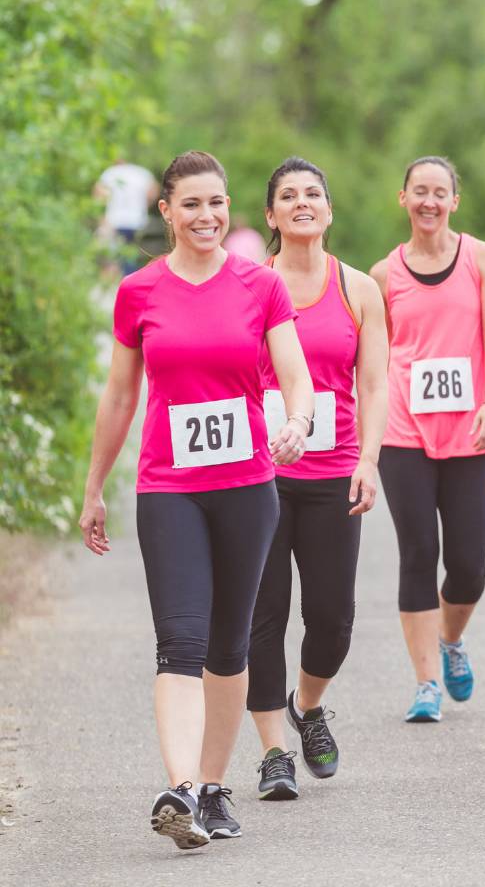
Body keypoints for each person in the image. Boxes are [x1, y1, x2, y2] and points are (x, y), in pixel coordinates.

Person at [78, 151, 314, 849]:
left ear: (228, 207)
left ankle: (212, 787)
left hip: (247, 488)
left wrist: (296, 423)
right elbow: (121, 395)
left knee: (227, 646)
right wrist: (95, 488)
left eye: (217, 203)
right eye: (191, 205)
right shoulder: (140, 292)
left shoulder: (260, 287)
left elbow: (294, 375)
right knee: (179, 640)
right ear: (166, 212)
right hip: (169, 489)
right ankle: (179, 788)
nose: (206, 216)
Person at [247, 157, 389, 800]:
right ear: (271, 216)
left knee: (332, 619)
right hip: (258, 478)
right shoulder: (248, 286)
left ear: (329, 211)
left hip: (334, 472)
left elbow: (375, 383)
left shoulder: (358, 289)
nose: (302, 202)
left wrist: (369, 460)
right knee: (263, 614)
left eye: (313, 194)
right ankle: (274, 751)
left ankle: (306, 706)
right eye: (288, 196)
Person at [371, 156, 485, 724]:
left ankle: (451, 640)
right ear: (402, 199)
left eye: (440, 192)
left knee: (470, 564)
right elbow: (374, 359)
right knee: (418, 553)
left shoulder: (482, 259)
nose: (429, 201)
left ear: (455, 200)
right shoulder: (383, 275)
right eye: (419, 192)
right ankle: (426, 682)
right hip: (403, 429)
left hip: (470, 429)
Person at [95, 159, 159, 275]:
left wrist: (102, 215)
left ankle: (119, 284)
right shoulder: (141, 173)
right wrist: (145, 205)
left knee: (114, 256)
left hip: (115, 221)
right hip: (137, 221)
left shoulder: (110, 173)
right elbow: (153, 191)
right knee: (131, 254)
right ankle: (130, 280)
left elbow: (98, 194)